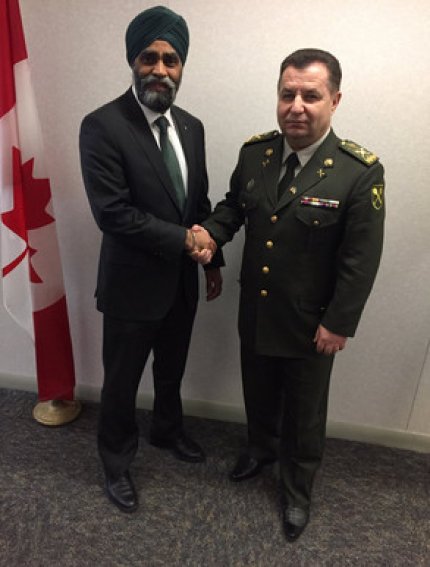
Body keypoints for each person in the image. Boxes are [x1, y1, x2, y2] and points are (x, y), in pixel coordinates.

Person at [198, 48, 385, 541]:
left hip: (310, 322)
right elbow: (234, 207)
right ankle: (260, 450)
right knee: (258, 393)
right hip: (258, 309)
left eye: (310, 96)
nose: (296, 106)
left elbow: (361, 259)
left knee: (304, 414)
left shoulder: (357, 171)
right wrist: (212, 233)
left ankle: (297, 490)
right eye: (287, 94)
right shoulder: (255, 154)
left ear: (334, 101)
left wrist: (339, 322)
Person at [79, 6, 222, 513]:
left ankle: (167, 429)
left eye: (171, 60)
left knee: (171, 368)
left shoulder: (192, 127)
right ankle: (116, 462)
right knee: (121, 382)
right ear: (133, 61)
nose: (160, 69)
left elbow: (197, 203)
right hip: (131, 286)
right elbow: (113, 214)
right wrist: (187, 241)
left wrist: (212, 261)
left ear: (181, 67)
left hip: (181, 282)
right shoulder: (102, 125)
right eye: (150, 57)